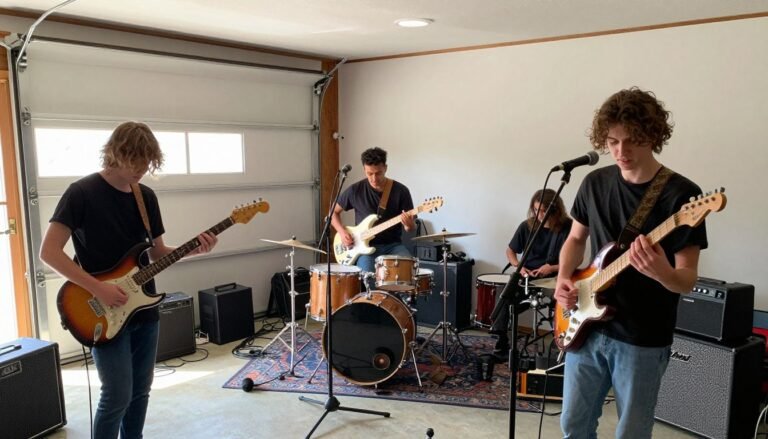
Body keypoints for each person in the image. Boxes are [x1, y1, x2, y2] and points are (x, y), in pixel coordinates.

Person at [39, 121, 218, 439]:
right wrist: (98, 288)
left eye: (147, 161)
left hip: (144, 309)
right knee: (116, 395)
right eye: (135, 160)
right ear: (115, 153)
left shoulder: (145, 197)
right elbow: (49, 252)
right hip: (100, 310)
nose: (142, 168)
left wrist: (196, 250)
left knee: (140, 392)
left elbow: (160, 251)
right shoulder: (81, 193)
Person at [554, 87, 708, 439]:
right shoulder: (594, 182)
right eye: (612, 142)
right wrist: (564, 278)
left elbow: (686, 279)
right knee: (573, 426)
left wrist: (663, 273)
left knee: (632, 432)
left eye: (632, 141)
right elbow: (576, 239)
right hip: (586, 325)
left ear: (653, 136)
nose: (621, 152)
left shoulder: (681, 196)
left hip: (643, 336)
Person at [490, 189, 572, 357]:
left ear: (555, 209)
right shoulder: (527, 226)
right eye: (536, 210)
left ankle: (563, 342)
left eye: (544, 211)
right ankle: (501, 340)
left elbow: (574, 260)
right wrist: (519, 266)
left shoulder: (568, 227)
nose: (539, 214)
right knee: (504, 294)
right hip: (528, 277)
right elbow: (510, 251)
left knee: (564, 298)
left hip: (555, 276)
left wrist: (552, 268)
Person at [331, 147, 416, 275]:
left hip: (393, 246)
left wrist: (409, 225)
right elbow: (333, 213)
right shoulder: (355, 190)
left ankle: (403, 296)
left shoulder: (401, 191)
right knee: (368, 277)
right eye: (369, 173)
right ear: (364, 169)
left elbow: (411, 228)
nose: (374, 178)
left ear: (385, 168)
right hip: (362, 247)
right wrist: (342, 233)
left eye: (378, 173)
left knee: (407, 270)